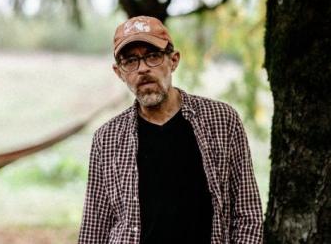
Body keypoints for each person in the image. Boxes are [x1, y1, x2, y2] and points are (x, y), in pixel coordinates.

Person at [78, 16, 263, 244]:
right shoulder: (107, 139)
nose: (143, 68)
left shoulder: (221, 121)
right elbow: (94, 228)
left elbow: (248, 215)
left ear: (173, 60)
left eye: (153, 56)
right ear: (119, 72)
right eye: (130, 61)